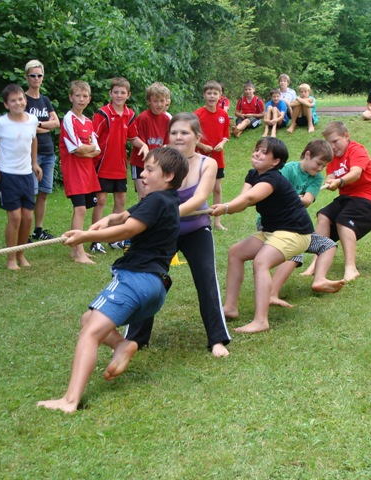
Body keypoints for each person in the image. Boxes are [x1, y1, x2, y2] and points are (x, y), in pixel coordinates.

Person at [36, 147, 189, 413]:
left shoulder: (156, 200)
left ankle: (69, 401)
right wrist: (107, 219)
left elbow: (129, 229)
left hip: (135, 280)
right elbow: (125, 216)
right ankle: (122, 344)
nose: (142, 174)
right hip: (155, 288)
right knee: (88, 319)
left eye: (150, 169)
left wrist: (85, 236)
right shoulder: (167, 200)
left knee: (89, 333)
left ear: (168, 176)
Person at [125, 113, 232, 357]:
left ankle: (217, 339)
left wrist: (167, 215)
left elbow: (199, 198)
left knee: (206, 279)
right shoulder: (160, 159)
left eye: (184, 132)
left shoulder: (208, 163)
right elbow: (149, 196)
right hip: (163, 232)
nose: (178, 137)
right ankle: (135, 338)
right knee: (148, 279)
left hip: (196, 229)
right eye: (174, 132)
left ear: (197, 137)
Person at [211, 138, 317, 334]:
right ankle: (230, 307)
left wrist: (225, 208)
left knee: (261, 262)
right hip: (273, 231)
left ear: (275, 161)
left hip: (296, 232)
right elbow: (244, 200)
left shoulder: (272, 178)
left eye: (263, 152)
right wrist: (228, 207)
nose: (257, 154)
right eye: (257, 150)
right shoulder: (253, 175)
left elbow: (250, 197)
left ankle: (261, 321)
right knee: (236, 252)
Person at [264, 140, 345, 308]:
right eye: (318, 163)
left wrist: (292, 198)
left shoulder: (316, 178)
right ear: (307, 155)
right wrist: (293, 198)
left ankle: (319, 279)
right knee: (295, 250)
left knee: (328, 245)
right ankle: (271, 295)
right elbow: (274, 195)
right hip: (273, 224)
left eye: (324, 166)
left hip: (295, 226)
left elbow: (307, 200)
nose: (320, 169)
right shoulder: (287, 170)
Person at [303, 121, 371, 282]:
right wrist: (329, 182)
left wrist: (339, 181)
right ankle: (315, 263)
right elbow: (330, 176)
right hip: (348, 198)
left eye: (335, 141)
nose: (332, 147)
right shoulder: (333, 158)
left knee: (343, 220)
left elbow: (356, 173)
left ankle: (351, 268)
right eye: (329, 143)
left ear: (346, 136)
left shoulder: (356, 150)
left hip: (369, 197)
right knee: (323, 216)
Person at [0, 84, 42, 270]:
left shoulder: (32, 120)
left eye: (20, 99)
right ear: (6, 104)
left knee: (27, 217)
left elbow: (34, 139)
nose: (17, 103)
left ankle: (21, 254)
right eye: (13, 101)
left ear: (25, 100)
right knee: (15, 217)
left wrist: (35, 163)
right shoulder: (1, 123)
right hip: (7, 175)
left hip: (26, 175)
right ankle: (11, 258)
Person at [91, 77, 148, 253]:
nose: (119, 95)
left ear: (128, 95)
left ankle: (114, 238)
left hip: (120, 166)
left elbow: (133, 137)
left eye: (122, 92)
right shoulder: (102, 113)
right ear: (110, 93)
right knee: (101, 201)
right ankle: (95, 239)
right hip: (102, 165)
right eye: (116, 92)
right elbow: (92, 136)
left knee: (121, 201)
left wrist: (144, 145)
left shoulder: (130, 114)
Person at [59, 80, 102, 264]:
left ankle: (74, 249)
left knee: (82, 209)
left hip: (87, 172)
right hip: (74, 171)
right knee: (80, 209)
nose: (81, 99)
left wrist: (86, 150)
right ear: (71, 97)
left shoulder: (88, 121)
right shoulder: (68, 119)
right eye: (77, 95)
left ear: (89, 99)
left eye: (85, 96)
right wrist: (86, 149)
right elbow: (76, 148)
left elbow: (96, 149)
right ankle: (79, 253)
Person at [23, 59, 60, 241]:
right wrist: (45, 125)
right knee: (31, 192)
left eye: (39, 75)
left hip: (48, 151)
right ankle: (24, 232)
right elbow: (24, 125)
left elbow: (56, 122)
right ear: (26, 77)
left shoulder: (45, 100)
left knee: (44, 192)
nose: (36, 78)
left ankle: (38, 229)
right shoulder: (23, 100)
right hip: (31, 152)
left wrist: (38, 124)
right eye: (33, 75)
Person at [194, 81, 230, 230]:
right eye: (209, 93)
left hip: (217, 158)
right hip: (200, 157)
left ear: (220, 96)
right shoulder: (197, 114)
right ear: (204, 95)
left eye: (215, 93)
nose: (212, 96)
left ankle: (217, 221)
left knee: (217, 188)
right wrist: (202, 146)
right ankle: (198, 219)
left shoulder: (223, 114)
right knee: (199, 189)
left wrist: (222, 143)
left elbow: (226, 135)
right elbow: (193, 136)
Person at [130, 82, 171, 201]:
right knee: (143, 195)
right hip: (140, 163)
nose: (159, 104)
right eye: (155, 101)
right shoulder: (143, 118)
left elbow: (167, 142)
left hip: (157, 163)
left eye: (162, 101)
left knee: (156, 195)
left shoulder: (166, 119)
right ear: (149, 101)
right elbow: (137, 139)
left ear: (167, 101)